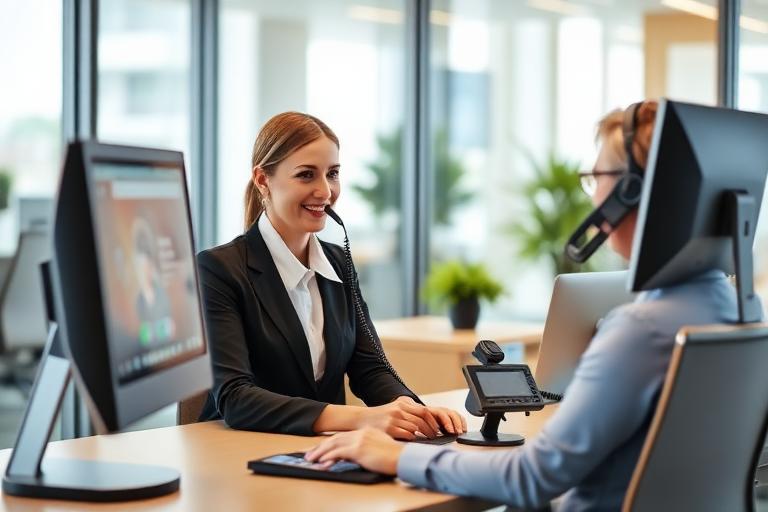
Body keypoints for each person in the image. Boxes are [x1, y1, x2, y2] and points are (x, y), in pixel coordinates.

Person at [305, 101, 744, 509]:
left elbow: (532, 477)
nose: (593, 198)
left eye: (598, 179)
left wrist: (397, 458)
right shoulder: (734, 307)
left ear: (632, 194)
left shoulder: (642, 329)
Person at [197, 111, 465, 439]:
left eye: (333, 174)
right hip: (234, 452)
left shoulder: (338, 263)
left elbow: (371, 369)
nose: (325, 191)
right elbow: (235, 398)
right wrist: (360, 420)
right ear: (263, 179)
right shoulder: (220, 269)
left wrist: (413, 411)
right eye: (307, 175)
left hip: (319, 454)